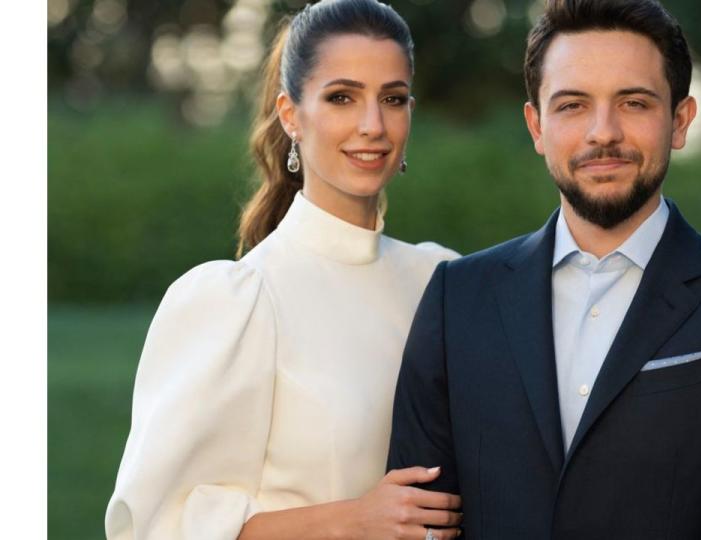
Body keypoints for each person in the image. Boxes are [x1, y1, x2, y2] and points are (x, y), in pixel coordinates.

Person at [387, 0, 701, 538]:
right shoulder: (458, 298)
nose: (603, 132)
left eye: (634, 103)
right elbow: (419, 520)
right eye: (572, 105)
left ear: (680, 120)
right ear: (536, 125)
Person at [105, 1, 464, 539]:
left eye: (392, 99)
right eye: (342, 97)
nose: (373, 125)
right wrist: (356, 519)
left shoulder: (441, 279)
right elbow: (162, 525)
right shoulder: (239, 299)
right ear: (291, 114)